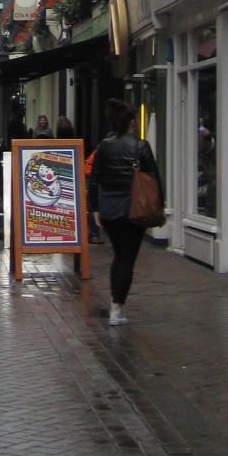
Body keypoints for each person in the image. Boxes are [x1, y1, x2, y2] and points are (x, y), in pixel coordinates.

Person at [91, 98, 159, 325]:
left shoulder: (103, 146)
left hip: (109, 210)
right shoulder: (141, 146)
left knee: (119, 256)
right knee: (127, 259)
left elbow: (94, 179)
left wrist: (95, 209)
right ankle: (117, 309)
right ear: (132, 122)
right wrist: (159, 207)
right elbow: (154, 179)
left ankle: (115, 304)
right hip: (133, 209)